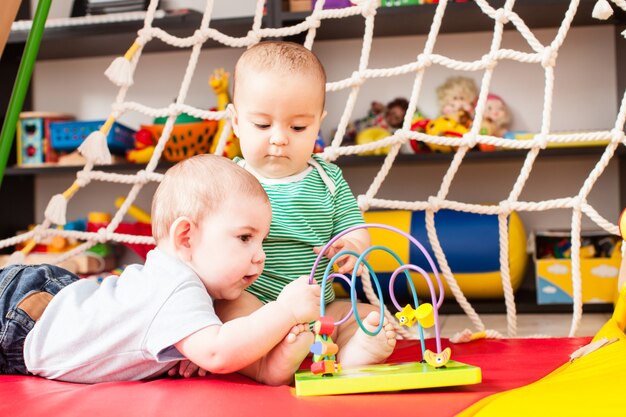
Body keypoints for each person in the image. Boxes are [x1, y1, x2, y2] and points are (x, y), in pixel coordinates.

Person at [0, 154, 321, 385]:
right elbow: (218, 352)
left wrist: (267, 366)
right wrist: (285, 311)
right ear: (186, 236)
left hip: (47, 302)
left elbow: (212, 350)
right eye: (245, 237)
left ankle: (266, 366)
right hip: (24, 318)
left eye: (262, 241)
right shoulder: (176, 286)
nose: (260, 256)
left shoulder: (180, 284)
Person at [218, 41, 396, 370]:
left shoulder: (329, 179)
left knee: (371, 315)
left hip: (318, 309)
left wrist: (351, 247)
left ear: (317, 124)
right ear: (236, 121)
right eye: (262, 125)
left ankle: (352, 353)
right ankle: (269, 365)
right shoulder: (229, 180)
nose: (279, 138)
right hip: (256, 306)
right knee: (227, 314)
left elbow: (355, 228)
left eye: (298, 127)